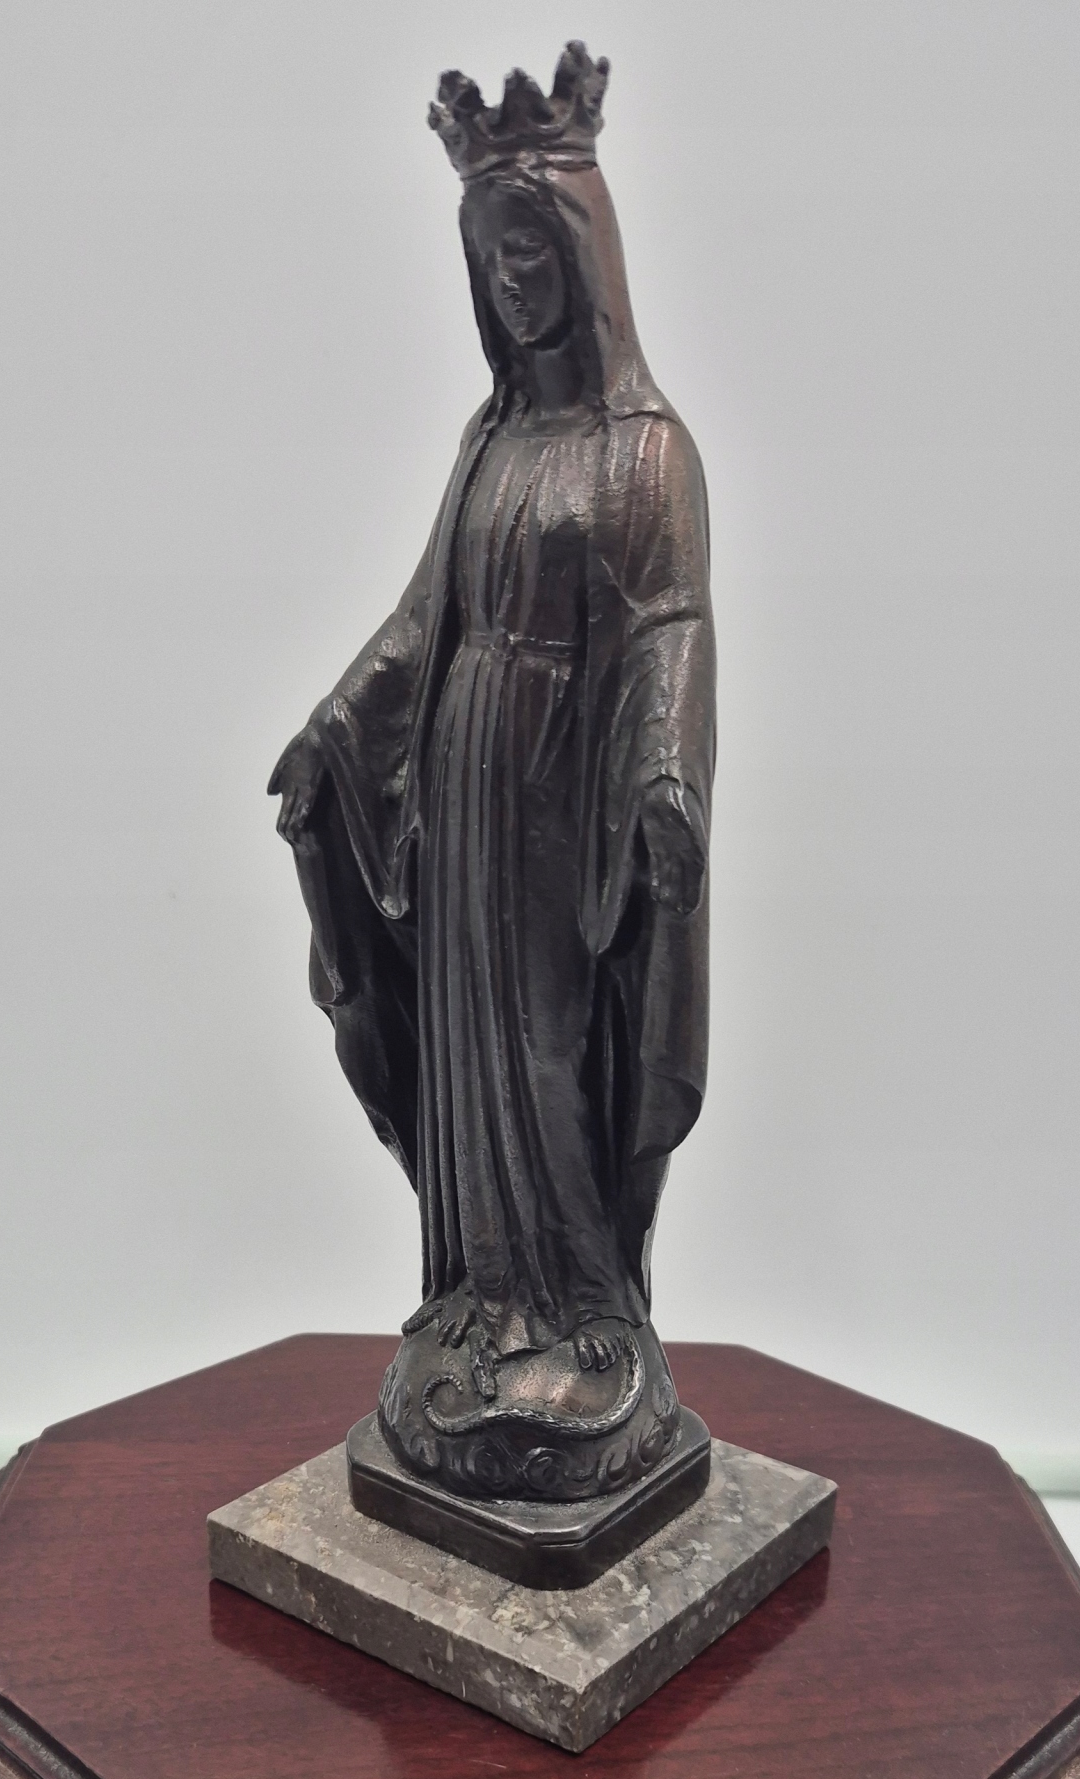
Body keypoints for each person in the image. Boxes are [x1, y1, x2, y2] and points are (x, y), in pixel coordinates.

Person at [269, 43, 714, 1504]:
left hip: (560, 797)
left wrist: (664, 776)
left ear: (586, 256)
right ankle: (483, 1289)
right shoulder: (492, 437)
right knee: (468, 1043)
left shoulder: (644, 453)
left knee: (546, 1042)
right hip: (460, 786)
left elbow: (669, 627)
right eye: (491, 256)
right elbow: (424, 620)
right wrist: (338, 723)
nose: (515, 281)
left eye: (534, 248)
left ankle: (585, 1301)